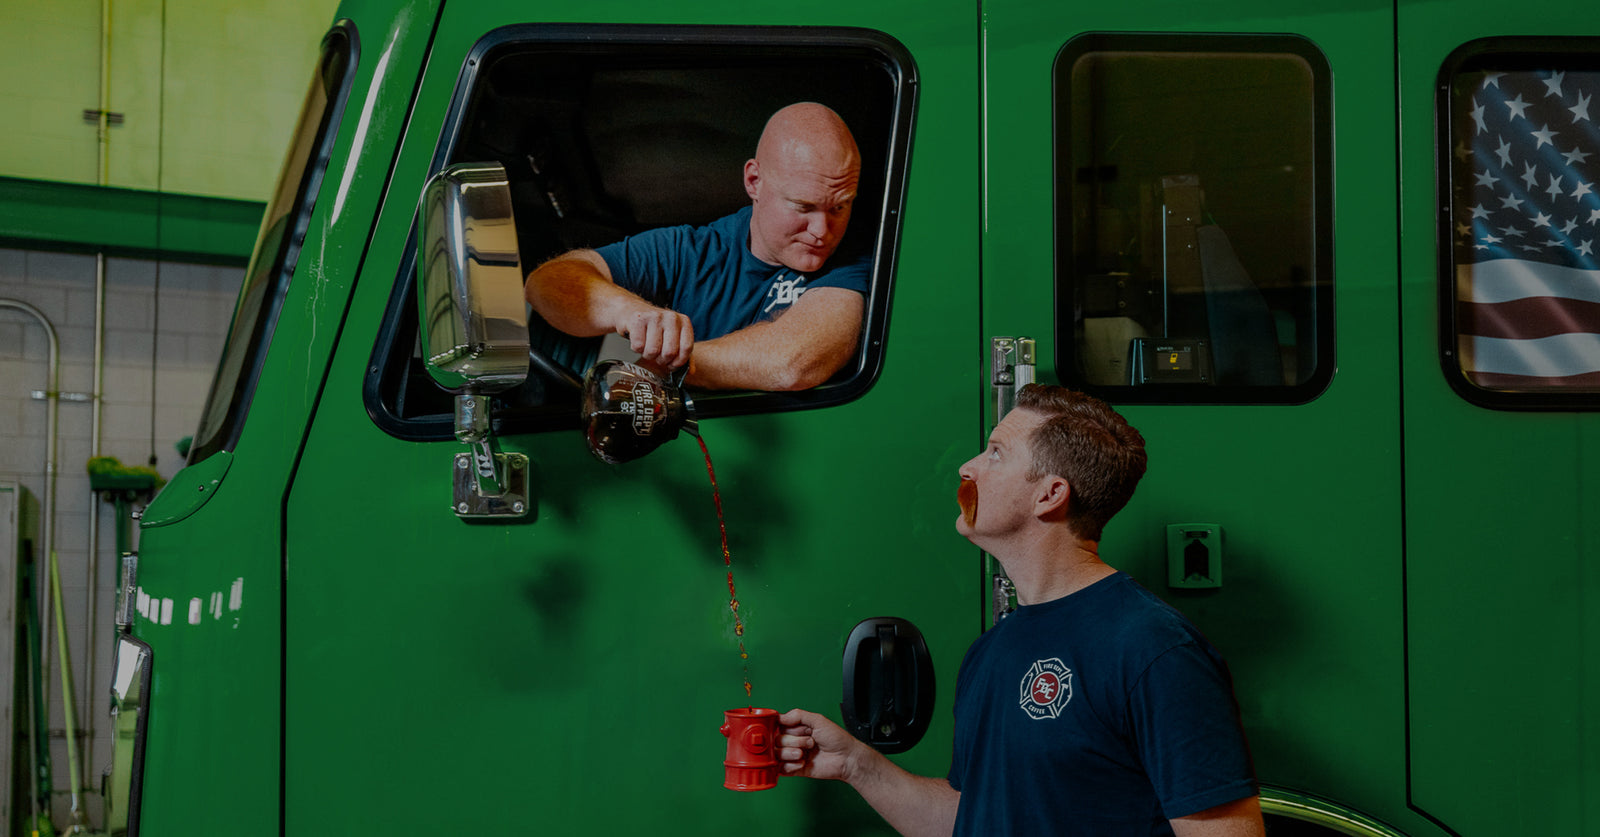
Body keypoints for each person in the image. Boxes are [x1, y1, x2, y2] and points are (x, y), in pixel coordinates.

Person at [777, 384, 1265, 837]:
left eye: (995, 453)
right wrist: (854, 764)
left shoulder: (1153, 649)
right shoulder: (992, 650)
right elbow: (972, 818)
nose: (968, 467)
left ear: (1049, 494)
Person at [522, 101, 869, 391]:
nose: (823, 231)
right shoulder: (693, 250)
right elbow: (547, 283)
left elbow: (797, 361)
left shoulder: (856, 257)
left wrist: (661, 365)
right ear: (754, 181)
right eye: (803, 207)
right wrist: (631, 314)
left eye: (840, 206)